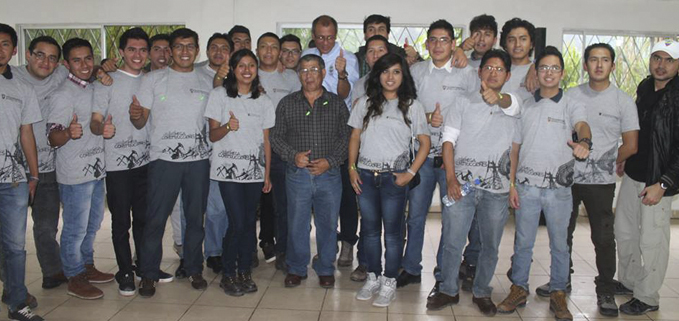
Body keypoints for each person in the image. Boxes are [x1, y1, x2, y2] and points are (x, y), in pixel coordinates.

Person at [535, 43, 638, 317]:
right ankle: (562, 281)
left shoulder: (623, 100)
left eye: (605, 60)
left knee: (603, 237)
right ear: (585, 65)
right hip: (567, 180)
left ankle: (605, 289)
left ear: (613, 66)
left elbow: (631, 144)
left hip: (601, 182)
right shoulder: (570, 95)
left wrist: (609, 161)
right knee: (561, 234)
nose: (599, 65)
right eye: (593, 60)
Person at [498, 46, 592, 321]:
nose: (548, 73)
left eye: (554, 68)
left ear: (562, 73)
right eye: (543, 68)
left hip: (558, 190)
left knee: (559, 244)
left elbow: (583, 125)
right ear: (536, 73)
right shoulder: (526, 105)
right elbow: (514, 149)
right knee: (523, 242)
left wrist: (584, 141)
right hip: (526, 187)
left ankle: (558, 294)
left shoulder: (571, 102)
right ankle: (518, 288)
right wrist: (512, 185)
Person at [426, 49, 518, 315]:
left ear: (508, 75)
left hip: (496, 191)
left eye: (499, 69)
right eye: (488, 68)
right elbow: (448, 142)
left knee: (490, 245)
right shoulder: (462, 102)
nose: (492, 73)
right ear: (479, 72)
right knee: (453, 240)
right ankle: (447, 290)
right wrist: (451, 179)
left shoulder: (514, 105)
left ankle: (481, 291)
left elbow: (511, 108)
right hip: (463, 187)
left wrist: (498, 97)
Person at [91, 27, 174, 297]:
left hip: (148, 162)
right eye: (131, 50)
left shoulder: (153, 80)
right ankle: (124, 271)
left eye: (142, 50)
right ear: (121, 52)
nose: (137, 55)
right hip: (117, 165)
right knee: (119, 223)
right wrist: (100, 128)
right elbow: (95, 118)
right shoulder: (108, 81)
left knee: (145, 220)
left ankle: (144, 267)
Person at [401, 19, 479, 290]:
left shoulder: (467, 73)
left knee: (451, 220)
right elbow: (405, 109)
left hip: (453, 160)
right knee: (415, 216)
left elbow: (475, 112)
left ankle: (443, 273)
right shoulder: (417, 72)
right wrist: (424, 118)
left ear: (453, 44)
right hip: (421, 158)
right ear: (426, 43)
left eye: (444, 40)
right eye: (432, 39)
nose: (437, 45)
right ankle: (410, 268)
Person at [134, 28, 212, 297]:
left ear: (197, 49)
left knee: (195, 219)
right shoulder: (153, 80)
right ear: (171, 50)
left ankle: (193, 268)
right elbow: (140, 119)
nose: (184, 51)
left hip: (199, 161)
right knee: (155, 219)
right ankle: (148, 273)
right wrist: (134, 115)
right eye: (178, 46)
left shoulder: (207, 80)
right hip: (163, 161)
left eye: (190, 46)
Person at [349, 53, 430, 307]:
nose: (390, 77)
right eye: (385, 72)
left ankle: (389, 281)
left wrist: (411, 173)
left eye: (396, 71)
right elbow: (354, 138)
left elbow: (425, 143)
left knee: (393, 235)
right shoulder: (364, 103)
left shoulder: (412, 105)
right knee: (370, 232)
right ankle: (372, 276)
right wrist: (351, 168)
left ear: (403, 75)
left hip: (394, 180)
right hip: (365, 176)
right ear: (378, 75)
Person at [270, 54, 350, 288]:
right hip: (298, 175)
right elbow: (275, 136)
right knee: (297, 223)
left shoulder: (337, 103)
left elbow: (347, 138)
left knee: (327, 224)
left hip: (329, 174)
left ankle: (325, 267)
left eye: (314, 69)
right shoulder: (287, 103)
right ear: (298, 75)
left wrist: (331, 160)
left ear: (324, 73)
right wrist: (292, 156)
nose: (309, 75)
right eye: (304, 71)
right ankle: (296, 268)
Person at [47, 37, 115, 300]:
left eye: (88, 58)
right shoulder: (64, 93)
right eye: (77, 60)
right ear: (66, 64)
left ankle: (86, 265)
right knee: (75, 228)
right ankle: (74, 275)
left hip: (96, 169)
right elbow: (52, 137)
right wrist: (68, 133)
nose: (84, 64)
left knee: (93, 223)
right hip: (75, 174)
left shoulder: (93, 87)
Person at [615, 39, 679, 315]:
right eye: (657, 58)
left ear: (678, 65)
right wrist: (626, 157)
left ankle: (648, 296)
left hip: (658, 181)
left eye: (668, 60)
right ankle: (629, 281)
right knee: (625, 231)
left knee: (652, 240)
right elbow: (638, 130)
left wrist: (664, 183)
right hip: (634, 174)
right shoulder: (644, 86)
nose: (661, 65)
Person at [205, 49, 274, 296]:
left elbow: (266, 140)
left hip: (254, 173)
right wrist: (228, 126)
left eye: (251, 66)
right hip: (227, 172)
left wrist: (267, 174)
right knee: (237, 222)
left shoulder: (264, 101)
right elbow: (212, 135)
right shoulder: (219, 95)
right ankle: (228, 274)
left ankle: (244, 271)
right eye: (241, 65)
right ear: (233, 70)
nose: (247, 70)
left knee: (247, 223)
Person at [13, 36, 68, 292]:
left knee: (46, 227)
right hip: (13, 171)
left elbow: (86, 69)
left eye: (52, 57)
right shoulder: (10, 78)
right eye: (39, 55)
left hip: (48, 169)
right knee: (10, 234)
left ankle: (53, 273)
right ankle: (10, 283)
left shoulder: (60, 75)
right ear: (27, 54)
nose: (45, 62)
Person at [0, 23, 44, 321]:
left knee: (15, 245)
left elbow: (26, 133)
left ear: (14, 50)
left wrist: (34, 174)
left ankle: (17, 302)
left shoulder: (21, 87)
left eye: (4, 43)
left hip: (12, 179)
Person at [256, 32, 301, 269]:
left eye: (274, 47)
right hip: (251, 151)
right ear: (257, 50)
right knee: (251, 204)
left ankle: (283, 250)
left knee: (283, 205)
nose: (269, 51)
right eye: (264, 46)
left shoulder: (291, 77)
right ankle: (249, 249)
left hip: (281, 151)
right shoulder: (248, 72)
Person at [196, 32, 232, 275]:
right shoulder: (197, 73)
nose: (219, 52)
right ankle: (213, 252)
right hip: (202, 151)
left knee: (229, 207)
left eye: (224, 48)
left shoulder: (239, 74)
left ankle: (227, 249)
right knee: (213, 207)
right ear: (206, 51)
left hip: (231, 151)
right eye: (214, 47)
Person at [499, 18, 537, 100]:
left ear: (531, 44)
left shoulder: (539, 72)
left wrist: (536, 66)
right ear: (505, 44)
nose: (517, 44)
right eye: (512, 40)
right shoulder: (496, 69)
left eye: (523, 39)